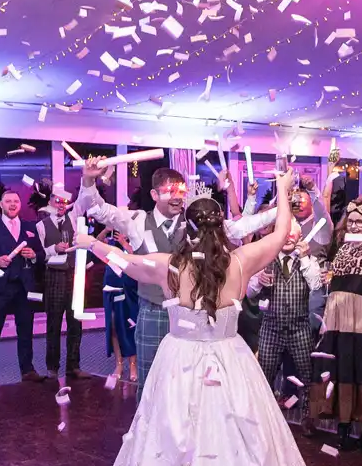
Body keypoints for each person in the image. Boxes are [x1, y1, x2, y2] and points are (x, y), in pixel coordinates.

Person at [69, 164, 362, 466]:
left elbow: (124, 262)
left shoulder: (171, 264)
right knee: (243, 448)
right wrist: (285, 189)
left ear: (187, 228)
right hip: (230, 366)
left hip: (180, 367)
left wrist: (90, 243)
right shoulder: (242, 261)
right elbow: (283, 229)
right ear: (220, 228)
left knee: (169, 447)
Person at [73, 157, 275, 379]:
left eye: (182, 191)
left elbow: (239, 227)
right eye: (171, 191)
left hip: (190, 315)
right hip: (153, 311)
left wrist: (280, 211)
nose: (178, 197)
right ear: (154, 195)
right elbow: (97, 209)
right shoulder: (137, 220)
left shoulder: (195, 224)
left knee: (186, 383)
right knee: (150, 380)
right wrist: (88, 179)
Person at [309, 199, 362, 449]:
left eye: (361, 221)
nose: (356, 226)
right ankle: (343, 427)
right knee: (342, 365)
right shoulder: (342, 246)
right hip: (339, 314)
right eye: (352, 221)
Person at [0, 188, 47, 383]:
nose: (12, 204)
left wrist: (34, 256)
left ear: (20, 205)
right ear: (1, 205)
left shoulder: (30, 226)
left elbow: (41, 255)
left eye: (16, 201)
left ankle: (27, 370)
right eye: (8, 201)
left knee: (26, 330)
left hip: (24, 287)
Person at [251, 226, 323, 425]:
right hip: (271, 328)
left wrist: (306, 257)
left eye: (294, 233)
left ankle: (309, 418)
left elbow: (316, 285)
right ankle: (261, 419)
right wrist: (257, 281)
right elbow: (249, 292)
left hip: (299, 328)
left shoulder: (309, 261)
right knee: (264, 376)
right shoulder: (265, 259)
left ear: (300, 237)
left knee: (308, 375)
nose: (289, 237)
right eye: (286, 232)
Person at [35, 185, 88, 383]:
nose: (60, 205)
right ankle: (52, 368)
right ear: (50, 202)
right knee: (53, 325)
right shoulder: (41, 225)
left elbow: (83, 199)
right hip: (54, 276)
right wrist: (53, 249)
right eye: (57, 201)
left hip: (74, 275)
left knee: (76, 324)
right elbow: (40, 252)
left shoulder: (74, 219)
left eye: (64, 202)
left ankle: (74, 366)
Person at [100, 227, 139, 389]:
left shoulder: (135, 241)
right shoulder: (109, 243)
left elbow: (137, 260)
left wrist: (125, 242)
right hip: (110, 289)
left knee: (130, 326)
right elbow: (95, 244)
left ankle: (133, 364)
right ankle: (119, 363)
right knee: (114, 326)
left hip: (129, 289)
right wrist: (106, 229)